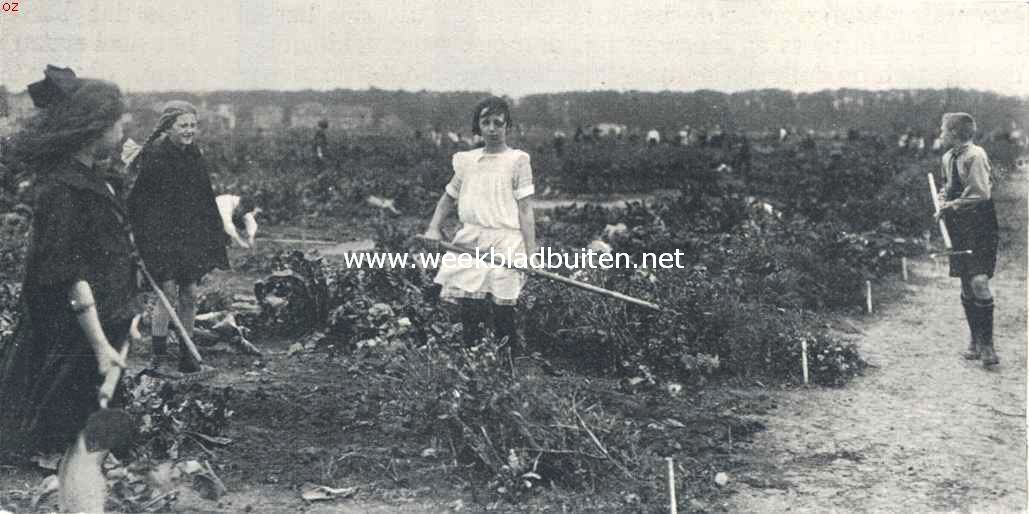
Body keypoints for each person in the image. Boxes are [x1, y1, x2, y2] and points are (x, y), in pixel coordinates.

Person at [0, 66, 140, 458]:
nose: (120, 133)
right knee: (63, 422)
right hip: (75, 328)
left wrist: (122, 319)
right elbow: (67, 273)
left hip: (98, 319)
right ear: (93, 129)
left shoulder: (89, 178)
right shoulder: (61, 188)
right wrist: (97, 342)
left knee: (94, 414)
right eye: (115, 125)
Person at [422, 97, 537, 348]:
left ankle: (506, 367)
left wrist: (531, 254)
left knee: (503, 307)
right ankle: (472, 362)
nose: (493, 128)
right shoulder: (467, 161)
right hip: (471, 240)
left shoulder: (517, 160)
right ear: (478, 126)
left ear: (508, 126)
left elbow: (526, 210)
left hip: (507, 240)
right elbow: (447, 198)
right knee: (470, 305)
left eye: (499, 122)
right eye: (486, 122)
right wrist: (433, 228)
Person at [128, 101, 229, 374]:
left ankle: (187, 354)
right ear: (168, 127)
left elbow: (205, 196)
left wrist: (214, 230)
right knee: (167, 292)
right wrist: (139, 238)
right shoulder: (156, 156)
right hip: (161, 236)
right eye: (183, 125)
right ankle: (158, 357)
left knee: (190, 294)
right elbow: (139, 201)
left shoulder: (194, 154)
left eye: (193, 125)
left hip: (188, 236)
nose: (189, 131)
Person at [935, 112, 1000, 367]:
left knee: (979, 281)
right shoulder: (947, 158)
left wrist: (950, 206)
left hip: (980, 223)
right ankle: (975, 339)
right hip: (958, 225)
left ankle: (988, 345)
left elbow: (980, 194)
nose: (940, 134)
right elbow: (947, 187)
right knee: (965, 283)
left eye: (942, 130)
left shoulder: (976, 155)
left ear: (953, 132)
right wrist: (942, 202)